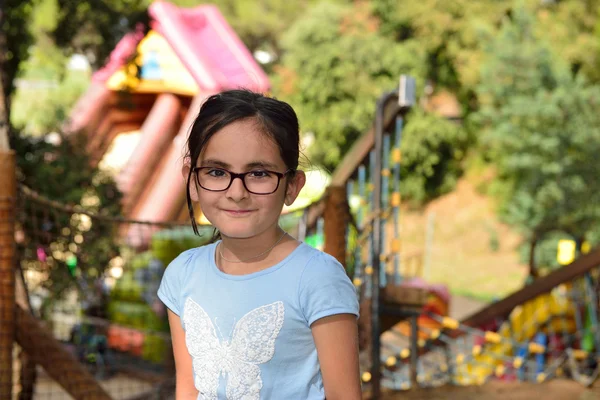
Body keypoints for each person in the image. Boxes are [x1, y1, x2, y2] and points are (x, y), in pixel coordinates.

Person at [157, 89, 361, 400]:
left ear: (292, 186)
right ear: (192, 180)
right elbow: (188, 388)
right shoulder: (181, 274)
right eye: (216, 171)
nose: (237, 192)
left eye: (259, 173)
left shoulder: (318, 278)